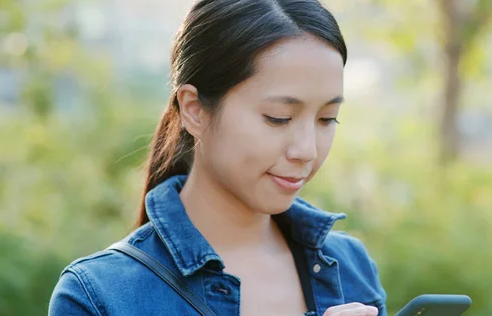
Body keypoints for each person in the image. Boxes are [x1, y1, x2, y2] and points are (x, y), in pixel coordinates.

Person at [49, 0, 387, 315]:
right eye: (278, 118)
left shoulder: (350, 267)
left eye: (327, 119)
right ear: (194, 110)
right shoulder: (99, 295)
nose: (307, 151)